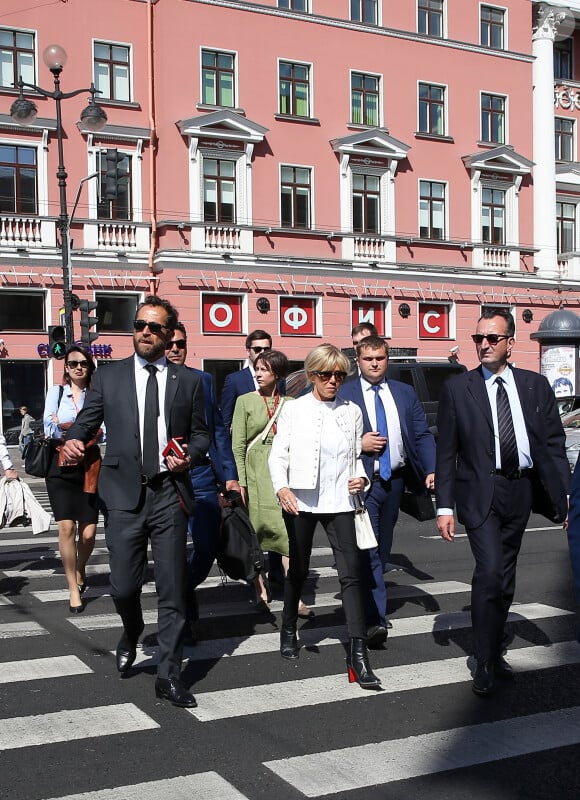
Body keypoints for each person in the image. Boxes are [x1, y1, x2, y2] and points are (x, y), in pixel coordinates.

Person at [60, 296, 209, 709]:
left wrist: (190, 455)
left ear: (168, 334)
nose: (145, 331)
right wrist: (74, 439)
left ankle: (169, 675)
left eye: (154, 327)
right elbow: (87, 421)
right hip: (124, 494)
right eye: (140, 324)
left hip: (169, 492)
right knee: (124, 586)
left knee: (172, 588)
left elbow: (201, 435)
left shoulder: (190, 381)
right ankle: (131, 629)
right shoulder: (110, 377)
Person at [436, 308, 569, 697]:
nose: (484, 345)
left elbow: (553, 445)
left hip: (521, 490)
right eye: (478, 338)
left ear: (510, 343)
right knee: (490, 572)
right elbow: (446, 452)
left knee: (506, 578)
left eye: (492, 338)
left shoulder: (534, 385)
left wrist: (566, 496)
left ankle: (494, 652)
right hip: (480, 492)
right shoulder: (459, 389)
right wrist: (444, 506)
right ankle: (483, 659)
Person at [269, 344, 381, 690]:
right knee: (299, 569)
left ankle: (358, 655)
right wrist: (282, 488)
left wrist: (362, 478)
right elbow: (278, 455)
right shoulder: (293, 409)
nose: (333, 381)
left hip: (342, 501)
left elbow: (357, 458)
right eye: (325, 374)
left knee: (352, 574)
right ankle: (289, 626)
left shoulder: (351, 411)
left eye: (339, 375)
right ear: (312, 375)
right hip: (301, 501)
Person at [338, 335, 435, 647]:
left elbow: (420, 434)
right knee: (368, 550)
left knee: (381, 550)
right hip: (362, 485)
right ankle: (373, 620)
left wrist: (431, 468)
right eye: (368, 359)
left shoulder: (403, 393)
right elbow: (328, 437)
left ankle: (369, 607)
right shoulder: (345, 392)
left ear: (387, 359)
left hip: (395, 483)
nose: (375, 364)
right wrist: (359, 444)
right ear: (358, 360)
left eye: (380, 358)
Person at [165, 322, 241, 638]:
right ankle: (181, 618)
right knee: (171, 552)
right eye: (169, 344)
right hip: (165, 478)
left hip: (200, 475)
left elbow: (218, 429)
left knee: (207, 546)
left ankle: (181, 592)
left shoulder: (203, 379)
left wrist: (230, 476)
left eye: (180, 344)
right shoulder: (148, 383)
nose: (175, 349)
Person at [232, 349, 313, 616]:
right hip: (256, 473)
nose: (258, 374)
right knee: (256, 535)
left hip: (284, 473)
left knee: (288, 536)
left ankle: (295, 596)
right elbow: (238, 445)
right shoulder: (245, 401)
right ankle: (260, 591)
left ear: (277, 373)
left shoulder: (291, 403)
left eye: (264, 369)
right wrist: (241, 482)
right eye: (257, 368)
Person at [43, 346, 101, 615]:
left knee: (88, 534)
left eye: (83, 363)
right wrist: (78, 430)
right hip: (61, 468)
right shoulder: (55, 393)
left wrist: (67, 426)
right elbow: (48, 427)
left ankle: (80, 567)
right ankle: (73, 589)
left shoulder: (97, 395)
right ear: (66, 367)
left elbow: (104, 429)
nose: (78, 367)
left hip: (89, 467)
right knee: (66, 528)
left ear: (90, 367)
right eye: (73, 363)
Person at [220, 329, 285, 431]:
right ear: (248, 351)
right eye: (257, 349)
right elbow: (225, 420)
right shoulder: (234, 380)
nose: (262, 352)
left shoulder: (278, 379)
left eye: (266, 349)